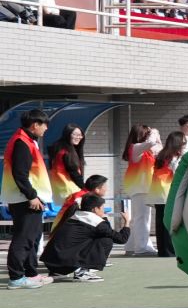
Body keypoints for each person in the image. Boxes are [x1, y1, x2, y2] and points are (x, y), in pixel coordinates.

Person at [6, 108, 54, 288]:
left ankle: (31, 273)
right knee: (23, 238)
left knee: (32, 237)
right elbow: (20, 173)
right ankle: (16, 277)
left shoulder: (27, 140)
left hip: (28, 198)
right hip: (25, 199)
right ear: (35, 125)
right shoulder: (21, 142)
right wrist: (31, 196)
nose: (46, 129)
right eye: (44, 125)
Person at [41, 191, 127, 279]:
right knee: (106, 240)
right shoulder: (96, 222)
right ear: (95, 209)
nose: (103, 210)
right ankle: (83, 271)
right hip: (65, 264)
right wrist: (127, 223)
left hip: (51, 262)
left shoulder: (74, 216)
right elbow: (121, 239)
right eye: (102, 207)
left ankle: (58, 273)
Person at [120, 122, 161, 255]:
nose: (150, 135)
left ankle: (131, 246)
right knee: (142, 218)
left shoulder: (144, 150)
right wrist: (154, 132)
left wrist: (156, 137)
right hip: (140, 188)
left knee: (138, 218)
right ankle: (142, 247)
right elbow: (151, 142)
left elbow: (159, 148)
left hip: (141, 187)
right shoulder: (136, 147)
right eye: (147, 133)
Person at [149, 131, 185, 257]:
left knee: (160, 222)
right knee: (168, 221)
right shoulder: (174, 158)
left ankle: (163, 250)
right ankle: (170, 250)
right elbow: (177, 174)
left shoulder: (161, 155)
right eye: (183, 142)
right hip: (168, 193)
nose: (184, 144)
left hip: (158, 193)